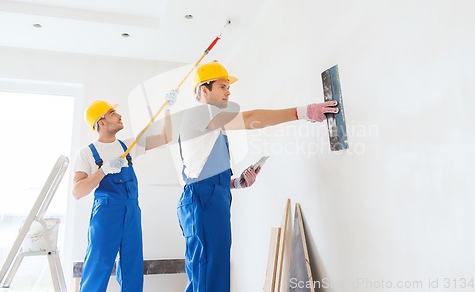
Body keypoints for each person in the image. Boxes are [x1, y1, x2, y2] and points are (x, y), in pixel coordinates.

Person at [176, 61, 338, 292]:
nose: (229, 91)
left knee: (215, 270)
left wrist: (235, 183)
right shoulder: (199, 116)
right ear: (204, 90)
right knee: (207, 273)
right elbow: (251, 118)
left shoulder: (212, 127)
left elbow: (200, 172)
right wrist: (302, 112)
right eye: (222, 86)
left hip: (209, 198)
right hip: (201, 202)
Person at [73, 92, 176, 292]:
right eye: (112, 113)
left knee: (132, 266)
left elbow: (165, 137)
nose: (119, 116)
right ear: (101, 122)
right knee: (99, 264)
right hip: (106, 213)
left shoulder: (127, 145)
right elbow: (77, 191)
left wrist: (168, 109)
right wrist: (103, 171)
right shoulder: (87, 152)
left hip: (131, 211)